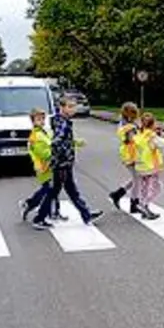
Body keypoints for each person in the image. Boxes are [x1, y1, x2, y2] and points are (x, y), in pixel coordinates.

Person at [33, 96, 102, 229]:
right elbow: (57, 141)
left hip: (63, 162)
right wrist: (57, 157)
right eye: (70, 106)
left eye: (74, 106)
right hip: (62, 163)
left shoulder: (60, 120)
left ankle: (86, 214)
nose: (73, 109)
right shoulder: (63, 123)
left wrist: (73, 143)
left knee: (67, 190)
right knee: (57, 191)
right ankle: (39, 218)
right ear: (62, 107)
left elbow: (63, 141)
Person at [20, 108, 66, 223]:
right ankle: (30, 204)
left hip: (50, 165)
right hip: (44, 167)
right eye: (38, 119)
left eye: (43, 119)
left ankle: (53, 211)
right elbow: (44, 153)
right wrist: (57, 154)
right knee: (49, 189)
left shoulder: (43, 132)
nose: (42, 121)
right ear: (33, 121)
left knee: (52, 189)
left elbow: (52, 143)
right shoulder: (36, 135)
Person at [108, 102, 142, 214]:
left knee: (137, 178)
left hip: (131, 153)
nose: (136, 116)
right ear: (129, 113)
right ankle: (134, 204)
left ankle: (117, 194)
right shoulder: (127, 126)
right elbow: (133, 139)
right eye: (134, 113)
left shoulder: (127, 123)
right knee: (138, 179)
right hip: (130, 154)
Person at [130, 112, 164, 220]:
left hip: (141, 166)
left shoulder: (140, 135)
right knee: (157, 188)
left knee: (144, 188)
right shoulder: (151, 136)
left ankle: (145, 209)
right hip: (150, 167)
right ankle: (143, 205)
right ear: (152, 124)